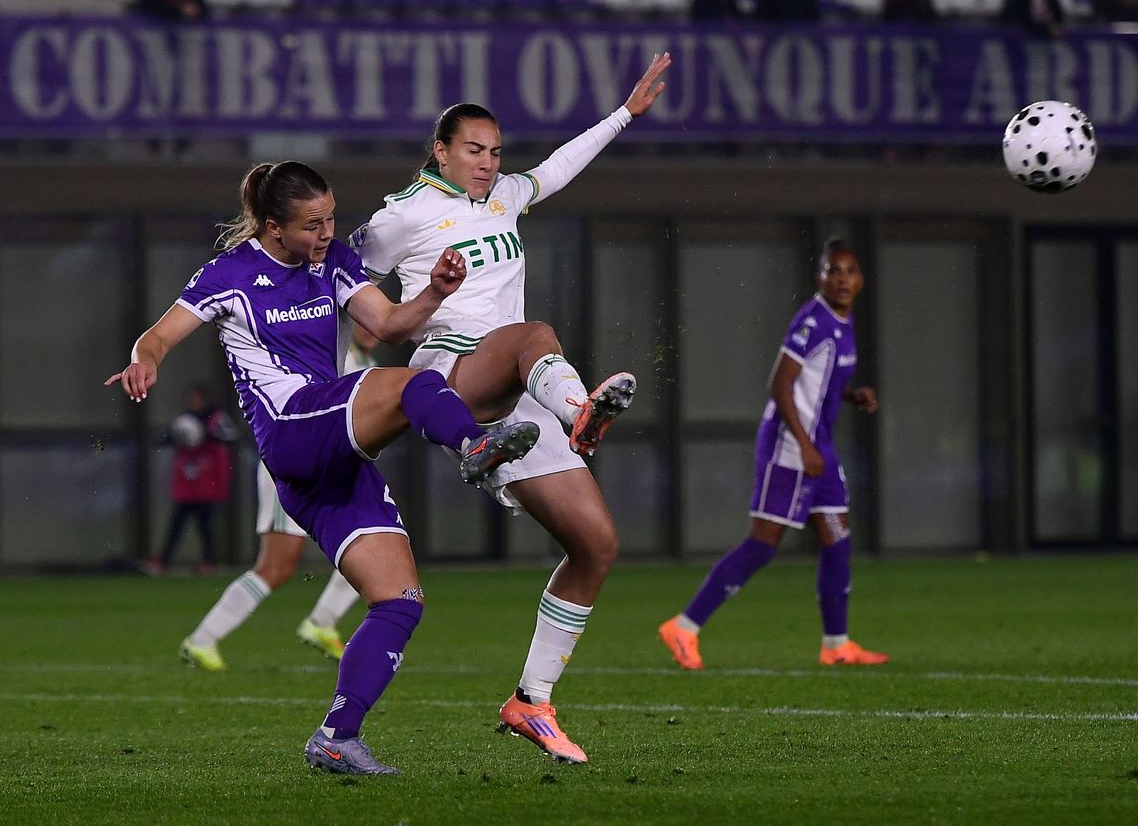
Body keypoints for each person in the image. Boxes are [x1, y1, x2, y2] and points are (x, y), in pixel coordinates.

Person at [107, 160, 540, 775]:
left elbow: (387, 324)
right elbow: (157, 337)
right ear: (273, 227)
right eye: (312, 224)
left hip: (326, 453)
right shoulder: (229, 274)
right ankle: (475, 446)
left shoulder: (332, 259)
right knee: (413, 385)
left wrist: (435, 294)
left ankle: (337, 737)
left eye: (331, 218)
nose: (327, 232)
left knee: (399, 601)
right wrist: (144, 360)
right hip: (290, 429)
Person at [350, 52, 672, 766]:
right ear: (440, 150)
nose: (487, 163)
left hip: (519, 397)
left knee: (596, 546)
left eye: (495, 152)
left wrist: (624, 114)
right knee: (533, 334)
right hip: (449, 376)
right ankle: (583, 412)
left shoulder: (504, 196)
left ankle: (531, 700)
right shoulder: (402, 215)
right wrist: (343, 364)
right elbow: (344, 276)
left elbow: (556, 168)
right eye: (473, 150)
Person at [658, 239, 888, 671]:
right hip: (790, 445)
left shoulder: (844, 321)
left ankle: (837, 645)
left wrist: (852, 395)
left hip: (819, 446)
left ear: (861, 279)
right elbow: (781, 383)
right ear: (820, 277)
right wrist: (803, 444)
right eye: (833, 270)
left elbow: (818, 382)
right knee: (763, 544)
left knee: (837, 539)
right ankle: (683, 628)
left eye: (850, 271)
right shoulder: (813, 321)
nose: (842, 279)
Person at [178, 333, 380, 672]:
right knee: (276, 567)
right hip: (295, 463)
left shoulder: (364, 361)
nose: (375, 328)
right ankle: (202, 640)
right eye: (368, 319)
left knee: (374, 542)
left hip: (333, 466)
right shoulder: (330, 349)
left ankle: (322, 621)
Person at [144, 384, 238, 576]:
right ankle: (163, 561)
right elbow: (162, 438)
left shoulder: (216, 418)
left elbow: (231, 436)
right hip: (187, 484)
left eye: (197, 398)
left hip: (207, 483)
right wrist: (175, 436)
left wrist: (206, 434)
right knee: (177, 524)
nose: (194, 401)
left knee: (206, 525)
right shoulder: (185, 420)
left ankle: (209, 562)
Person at [999, 0, 1066, 37]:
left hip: (1050, 32)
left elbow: (1058, 14)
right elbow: (1017, 18)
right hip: (1024, 34)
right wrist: (1045, 30)